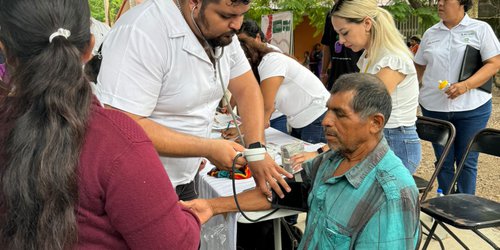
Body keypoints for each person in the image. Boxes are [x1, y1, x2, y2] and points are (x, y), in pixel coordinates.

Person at [0, 0, 200, 249]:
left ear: (7, 52)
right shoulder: (119, 143)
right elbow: (175, 245)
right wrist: (192, 217)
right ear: (90, 48)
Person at [182, 73, 421, 249]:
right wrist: (213, 206)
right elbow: (281, 191)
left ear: (375, 123)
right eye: (328, 110)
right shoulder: (330, 160)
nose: (326, 120)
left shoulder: (390, 195)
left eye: (340, 114)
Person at [96, 0, 292, 201]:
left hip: (185, 178)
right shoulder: (142, 31)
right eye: (226, 16)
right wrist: (205, 147)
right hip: (136, 184)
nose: (237, 25)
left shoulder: (223, 35)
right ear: (194, 2)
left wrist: (256, 149)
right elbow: (124, 124)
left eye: (242, 14)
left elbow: (247, 89)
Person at [414, 0, 500, 194]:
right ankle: (444, 203)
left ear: (462, 3)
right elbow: (418, 67)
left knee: (466, 160)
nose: (440, 4)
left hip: (473, 108)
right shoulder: (431, 33)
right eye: (439, 0)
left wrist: (465, 86)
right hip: (434, 107)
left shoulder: (480, 29)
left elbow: (494, 63)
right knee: (443, 160)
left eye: (446, 0)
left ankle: (464, 205)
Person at [330, 0, 421, 174]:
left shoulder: (392, 59)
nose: (341, 41)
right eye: (338, 35)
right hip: (379, 137)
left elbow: (362, 105)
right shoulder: (371, 56)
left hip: (394, 141)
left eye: (344, 33)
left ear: (366, 23)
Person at [234, 35, 329, 144]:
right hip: (300, 121)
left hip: (316, 116)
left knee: (312, 159)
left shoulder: (271, 61)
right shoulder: (260, 69)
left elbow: (266, 107)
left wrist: (245, 133)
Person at [237, 19, 288, 133]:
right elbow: (241, 84)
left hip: (274, 115)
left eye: (244, 41)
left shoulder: (271, 56)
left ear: (258, 37)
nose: (241, 46)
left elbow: (267, 103)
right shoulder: (248, 56)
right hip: (261, 114)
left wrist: (243, 129)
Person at [320, 6, 363, 90]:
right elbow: (327, 44)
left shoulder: (358, 12)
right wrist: (323, 72)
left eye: (344, 32)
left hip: (356, 76)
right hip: (335, 76)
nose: (341, 40)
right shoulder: (331, 15)